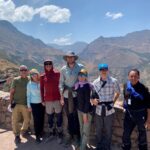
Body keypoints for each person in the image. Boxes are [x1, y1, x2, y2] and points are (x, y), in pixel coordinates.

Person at [91, 63, 120, 150]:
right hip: (98, 109)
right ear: (99, 71)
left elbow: (118, 92)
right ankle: (99, 145)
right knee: (98, 129)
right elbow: (92, 95)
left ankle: (107, 146)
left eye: (105, 69)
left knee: (108, 129)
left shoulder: (114, 81)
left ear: (107, 70)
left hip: (109, 109)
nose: (103, 71)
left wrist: (113, 102)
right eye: (101, 70)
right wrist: (93, 101)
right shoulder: (95, 82)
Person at [59, 51, 84, 146]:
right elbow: (61, 83)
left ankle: (77, 136)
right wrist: (61, 96)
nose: (70, 59)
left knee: (76, 116)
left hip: (77, 96)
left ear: (74, 58)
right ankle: (70, 136)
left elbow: (84, 80)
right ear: (66, 58)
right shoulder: (63, 69)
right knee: (69, 117)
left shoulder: (80, 67)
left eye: (72, 57)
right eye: (68, 57)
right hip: (66, 96)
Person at [122, 69, 150, 150]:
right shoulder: (125, 86)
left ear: (139, 77)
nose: (133, 78)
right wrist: (124, 106)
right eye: (131, 76)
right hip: (129, 114)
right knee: (126, 134)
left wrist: (148, 120)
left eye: (135, 76)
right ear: (128, 77)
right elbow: (125, 98)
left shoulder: (144, 89)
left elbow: (148, 105)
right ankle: (126, 148)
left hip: (141, 115)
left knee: (142, 134)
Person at [40, 60, 63, 143]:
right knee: (50, 117)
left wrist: (61, 98)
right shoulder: (42, 76)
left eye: (50, 64)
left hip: (57, 99)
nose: (48, 66)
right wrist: (42, 100)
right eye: (46, 65)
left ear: (52, 65)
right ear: (44, 66)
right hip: (48, 100)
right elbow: (41, 89)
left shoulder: (57, 74)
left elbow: (61, 85)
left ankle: (60, 133)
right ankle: (51, 133)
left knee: (59, 117)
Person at [10, 65, 30, 144]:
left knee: (27, 119)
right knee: (15, 121)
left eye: (25, 70)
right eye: (22, 70)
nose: (23, 71)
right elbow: (11, 92)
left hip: (25, 104)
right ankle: (17, 136)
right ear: (20, 71)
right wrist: (11, 102)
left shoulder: (29, 79)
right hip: (16, 104)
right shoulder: (15, 80)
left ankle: (23, 130)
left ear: (27, 71)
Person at [75, 69, 93, 150]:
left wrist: (85, 113)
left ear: (86, 77)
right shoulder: (78, 85)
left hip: (86, 112)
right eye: (79, 75)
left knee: (85, 130)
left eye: (83, 76)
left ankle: (82, 147)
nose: (81, 77)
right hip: (79, 110)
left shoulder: (87, 86)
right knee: (81, 128)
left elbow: (87, 101)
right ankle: (83, 144)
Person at [27, 69, 45, 143]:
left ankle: (40, 133)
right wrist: (29, 106)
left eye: (35, 74)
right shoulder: (29, 84)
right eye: (32, 74)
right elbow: (28, 95)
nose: (34, 76)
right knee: (36, 120)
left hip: (42, 103)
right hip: (34, 104)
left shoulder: (41, 82)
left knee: (41, 119)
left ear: (38, 74)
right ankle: (37, 135)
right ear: (30, 76)